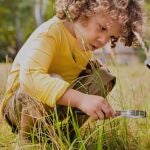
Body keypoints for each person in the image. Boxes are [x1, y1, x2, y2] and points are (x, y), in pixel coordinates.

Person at [0, 0, 143, 144]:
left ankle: (64, 136)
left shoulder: (83, 42)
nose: (103, 41)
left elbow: (71, 62)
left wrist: (95, 101)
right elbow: (30, 79)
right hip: (19, 107)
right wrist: (81, 100)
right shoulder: (50, 32)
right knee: (52, 78)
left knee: (103, 76)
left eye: (111, 37)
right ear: (82, 11)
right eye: (102, 28)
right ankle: (28, 140)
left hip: (52, 107)